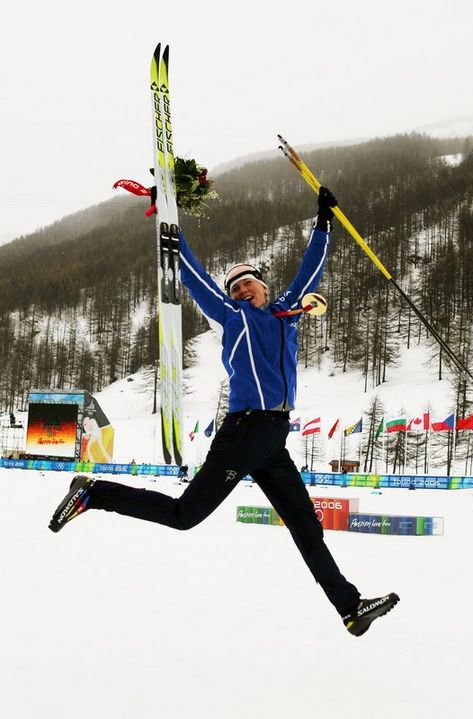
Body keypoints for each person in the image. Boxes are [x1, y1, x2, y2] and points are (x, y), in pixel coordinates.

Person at [48, 187, 399, 636]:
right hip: (245, 430)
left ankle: (350, 608)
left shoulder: (285, 314)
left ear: (264, 286)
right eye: (235, 287)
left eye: (247, 282)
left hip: (272, 439)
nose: (240, 289)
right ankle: (93, 494)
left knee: (307, 529)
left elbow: (310, 274)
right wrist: (171, 229)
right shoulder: (232, 317)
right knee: (185, 515)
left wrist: (323, 223)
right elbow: (196, 280)